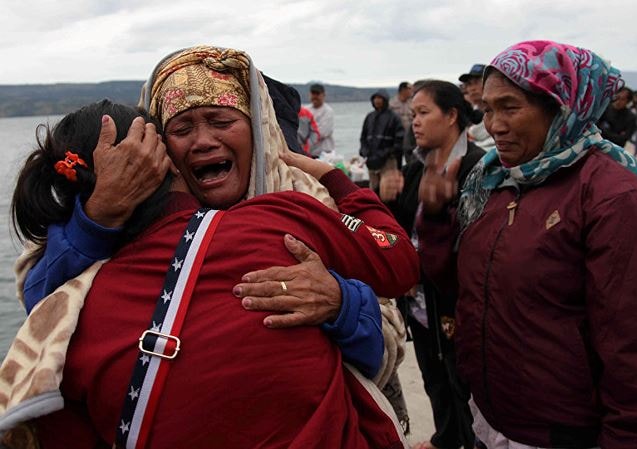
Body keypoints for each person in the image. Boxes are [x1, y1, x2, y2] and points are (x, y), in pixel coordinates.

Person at [2, 46, 420, 449]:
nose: (203, 141)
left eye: (221, 121)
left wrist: (340, 301)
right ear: (157, 154)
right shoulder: (117, 221)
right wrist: (101, 215)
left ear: (258, 130)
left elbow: (389, 319)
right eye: (182, 129)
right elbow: (48, 302)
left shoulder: (303, 200)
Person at [417, 40, 637, 448]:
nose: (494, 124)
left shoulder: (614, 197)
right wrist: (437, 219)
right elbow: (459, 289)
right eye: (489, 109)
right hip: (490, 420)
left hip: (563, 433)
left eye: (510, 107)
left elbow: (631, 345)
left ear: (561, 107)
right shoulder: (493, 180)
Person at [380, 80, 483, 449]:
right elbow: (400, 233)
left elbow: (472, 245)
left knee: (464, 377)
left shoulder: (477, 167)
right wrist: (386, 203)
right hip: (421, 301)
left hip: (456, 298)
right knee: (432, 371)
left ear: (452, 115)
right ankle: (446, 437)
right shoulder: (413, 170)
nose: (415, 123)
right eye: (413, 116)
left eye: (423, 113)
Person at [360, 89, 405, 190]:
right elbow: (363, 137)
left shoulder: (394, 117)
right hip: (371, 160)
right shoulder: (370, 117)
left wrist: (387, 152)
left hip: (388, 160)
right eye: (375, 98)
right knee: (373, 188)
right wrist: (364, 151)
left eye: (380, 98)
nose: (377, 101)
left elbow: (399, 140)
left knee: (388, 190)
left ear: (385, 100)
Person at [459, 64, 494, 150]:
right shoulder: (467, 115)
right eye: (469, 84)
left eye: (477, 82)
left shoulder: (501, 113)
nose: (472, 88)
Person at [306, 83, 334, 158]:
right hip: (309, 153)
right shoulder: (305, 110)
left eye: (317, 94)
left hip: (325, 153)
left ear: (323, 95)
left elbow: (322, 132)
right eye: (313, 93)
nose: (315, 96)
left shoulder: (328, 111)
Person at [390, 81, 415, 164]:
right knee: (396, 162)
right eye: (410, 89)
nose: (412, 91)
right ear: (403, 90)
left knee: (411, 161)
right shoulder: (392, 104)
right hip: (396, 138)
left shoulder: (413, 103)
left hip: (411, 137)